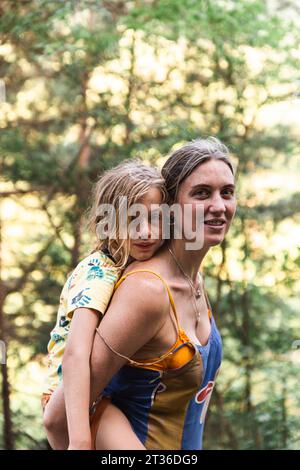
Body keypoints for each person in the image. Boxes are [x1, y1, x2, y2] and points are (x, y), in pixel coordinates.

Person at [88, 137, 237, 450]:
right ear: (170, 208)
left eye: (227, 192)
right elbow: (64, 411)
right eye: (201, 193)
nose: (219, 206)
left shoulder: (194, 278)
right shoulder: (147, 290)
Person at [42, 160, 167, 450]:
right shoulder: (98, 272)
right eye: (131, 220)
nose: (145, 232)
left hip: (102, 394)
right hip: (73, 401)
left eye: (155, 219)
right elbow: (75, 353)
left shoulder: (135, 266)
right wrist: (80, 440)